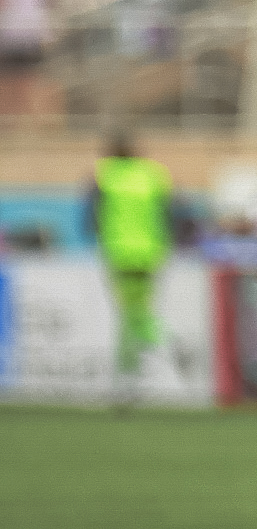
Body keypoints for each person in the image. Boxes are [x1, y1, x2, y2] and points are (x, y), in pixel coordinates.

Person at [81, 132, 174, 391]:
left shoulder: (104, 175)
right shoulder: (153, 174)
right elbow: (168, 213)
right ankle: (147, 352)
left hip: (119, 253)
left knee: (127, 312)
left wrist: (97, 237)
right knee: (141, 308)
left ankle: (134, 366)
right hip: (150, 254)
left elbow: (92, 215)